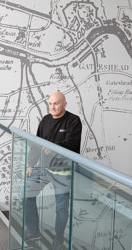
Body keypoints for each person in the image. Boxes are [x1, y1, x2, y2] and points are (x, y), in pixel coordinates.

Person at [24, 91, 82, 250]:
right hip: (43, 169)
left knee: (61, 208)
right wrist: (30, 164)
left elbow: (72, 143)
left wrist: (54, 147)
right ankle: (33, 230)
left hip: (62, 172)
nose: (52, 107)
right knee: (27, 194)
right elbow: (36, 143)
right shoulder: (45, 120)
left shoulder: (73, 121)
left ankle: (58, 239)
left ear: (64, 104)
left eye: (56, 103)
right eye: (50, 103)